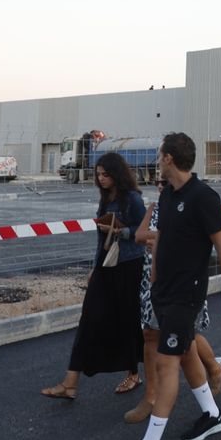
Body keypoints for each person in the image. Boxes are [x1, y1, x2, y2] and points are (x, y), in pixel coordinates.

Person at [105, 132, 221, 440]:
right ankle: (212, 415)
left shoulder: (204, 197)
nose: (156, 160)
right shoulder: (167, 196)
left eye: (159, 155)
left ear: (169, 158)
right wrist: (155, 281)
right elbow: (162, 240)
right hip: (163, 293)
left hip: (187, 295)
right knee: (186, 356)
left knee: (167, 364)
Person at [42, 152, 147, 401]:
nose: (101, 179)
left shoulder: (132, 199)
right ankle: (70, 382)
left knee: (127, 320)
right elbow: (101, 239)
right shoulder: (105, 198)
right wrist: (95, 266)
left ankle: (133, 373)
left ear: (117, 174)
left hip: (128, 265)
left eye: (105, 174)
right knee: (89, 317)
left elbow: (143, 232)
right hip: (106, 265)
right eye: (98, 174)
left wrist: (120, 231)